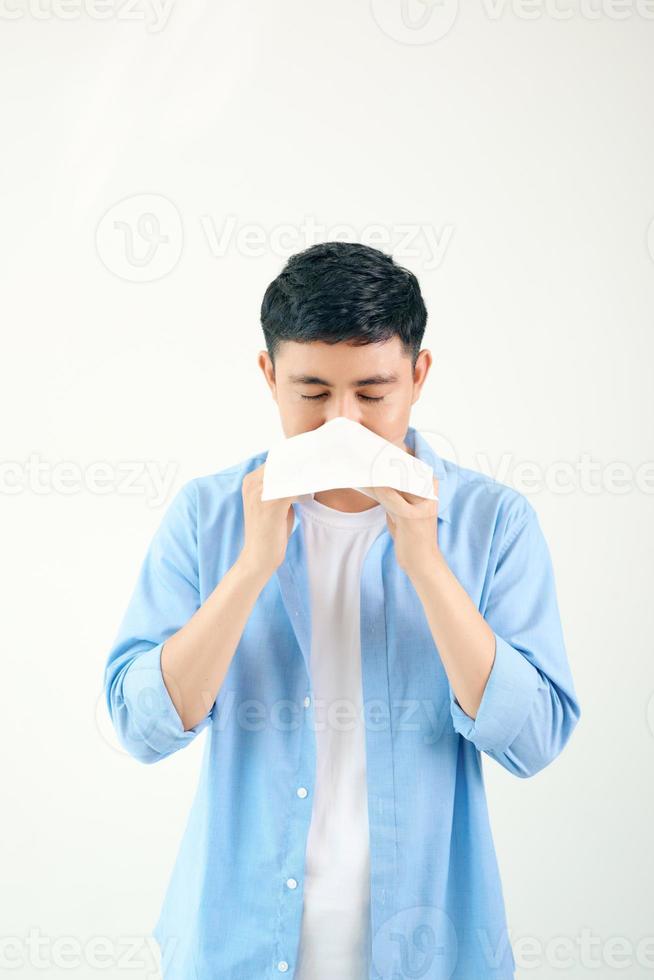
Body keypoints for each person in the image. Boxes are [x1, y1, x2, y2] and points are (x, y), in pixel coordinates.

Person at [103, 241, 581, 980]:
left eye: (373, 391)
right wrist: (251, 567)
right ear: (268, 376)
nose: (343, 422)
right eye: (313, 392)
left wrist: (426, 562)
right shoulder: (206, 514)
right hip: (234, 948)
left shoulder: (493, 521)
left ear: (419, 376)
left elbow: (535, 739)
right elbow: (141, 727)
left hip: (433, 950)